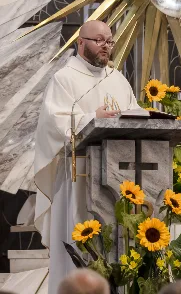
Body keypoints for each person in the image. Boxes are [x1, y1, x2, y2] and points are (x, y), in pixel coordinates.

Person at [34, 20, 140, 294]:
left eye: (110, 41)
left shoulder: (117, 78)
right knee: (80, 243)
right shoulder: (64, 78)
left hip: (118, 176)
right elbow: (53, 122)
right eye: (100, 41)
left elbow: (133, 112)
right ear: (81, 42)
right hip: (78, 175)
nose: (107, 47)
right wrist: (93, 118)